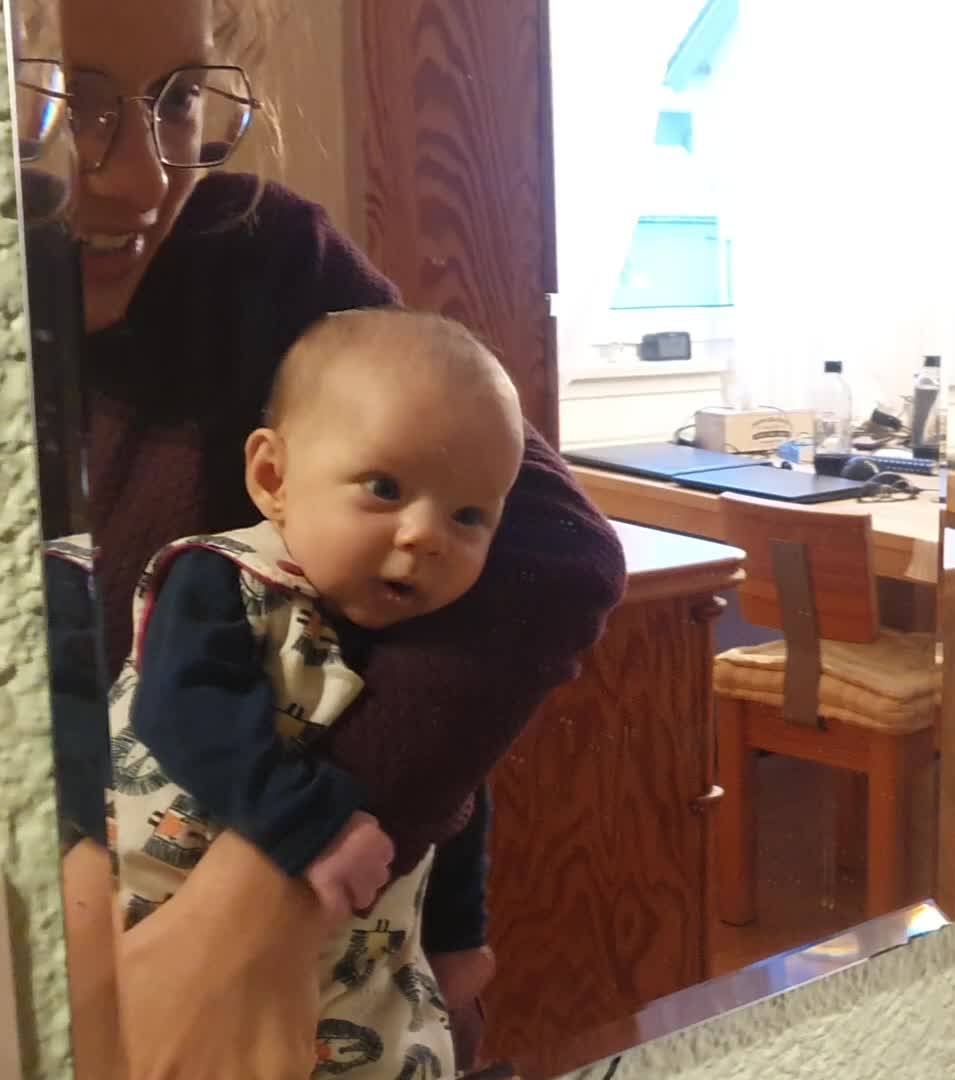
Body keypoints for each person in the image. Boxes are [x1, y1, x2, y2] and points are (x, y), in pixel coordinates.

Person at [48, 0, 628, 1075]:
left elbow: (554, 557)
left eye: (178, 100)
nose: (142, 178)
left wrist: (266, 893)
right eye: (67, 102)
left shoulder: (251, 256)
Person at [99, 309, 524, 1078]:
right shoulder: (223, 578)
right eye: (384, 488)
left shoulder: (430, 650)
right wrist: (312, 825)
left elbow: (455, 799)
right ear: (273, 478)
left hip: (364, 978)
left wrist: (459, 939)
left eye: (469, 516)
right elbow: (185, 712)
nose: (426, 535)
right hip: (168, 925)